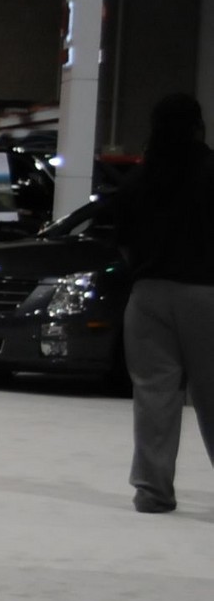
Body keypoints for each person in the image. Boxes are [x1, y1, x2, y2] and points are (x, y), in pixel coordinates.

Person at [113, 92, 214, 512]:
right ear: (197, 124)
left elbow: (121, 243)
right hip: (206, 294)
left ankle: (153, 490)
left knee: (154, 393)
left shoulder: (140, 179)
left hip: (148, 296)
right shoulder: (212, 171)